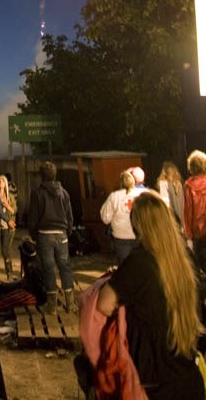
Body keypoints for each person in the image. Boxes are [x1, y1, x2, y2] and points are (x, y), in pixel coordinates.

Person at [96, 190, 204, 399]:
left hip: (152, 381)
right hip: (190, 378)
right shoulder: (185, 258)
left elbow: (104, 304)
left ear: (138, 225)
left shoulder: (139, 262)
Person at [27, 161, 75, 313]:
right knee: (65, 267)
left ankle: (52, 305)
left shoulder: (37, 193)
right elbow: (69, 215)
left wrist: (33, 235)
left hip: (44, 235)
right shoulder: (64, 193)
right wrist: (68, 231)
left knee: (48, 268)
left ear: (41, 176)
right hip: (61, 234)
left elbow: (33, 217)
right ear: (55, 175)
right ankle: (70, 303)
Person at [99, 170, 140, 265]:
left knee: (124, 267)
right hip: (139, 236)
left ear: (121, 183)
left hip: (121, 238)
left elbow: (105, 218)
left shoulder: (114, 197)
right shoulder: (140, 194)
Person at [184, 149, 206, 272]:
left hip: (198, 230)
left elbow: (188, 211)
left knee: (201, 263)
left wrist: (188, 233)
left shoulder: (189, 185)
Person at [0, 174, 16, 279]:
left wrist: (7, 205)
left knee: (5, 251)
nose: (1, 183)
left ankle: (9, 273)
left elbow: (14, 210)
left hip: (6, 227)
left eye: (3, 181)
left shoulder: (10, 197)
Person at [157, 161, 184, 226]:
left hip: (171, 218)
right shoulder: (179, 184)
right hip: (182, 217)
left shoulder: (163, 184)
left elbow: (165, 202)